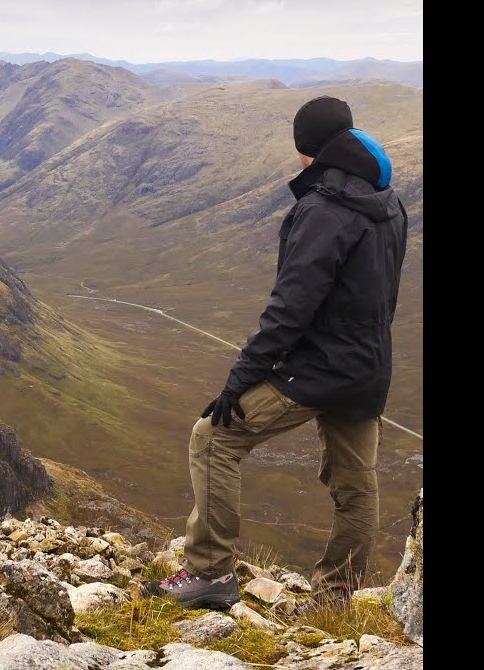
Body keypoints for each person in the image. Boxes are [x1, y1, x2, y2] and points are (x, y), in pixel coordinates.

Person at [153, 96, 408, 610]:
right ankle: (337, 595)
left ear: (305, 151)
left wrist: (238, 382)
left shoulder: (323, 210)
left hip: (318, 369)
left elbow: (290, 309)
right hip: (368, 368)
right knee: (356, 483)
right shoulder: (389, 201)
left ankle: (209, 573)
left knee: (213, 439)